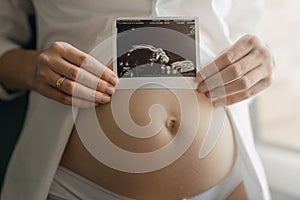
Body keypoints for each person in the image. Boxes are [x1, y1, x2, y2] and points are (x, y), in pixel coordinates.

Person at [0, 0, 274, 200]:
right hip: (77, 187)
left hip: (226, 185)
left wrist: (260, 62)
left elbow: (245, 29)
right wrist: (30, 67)